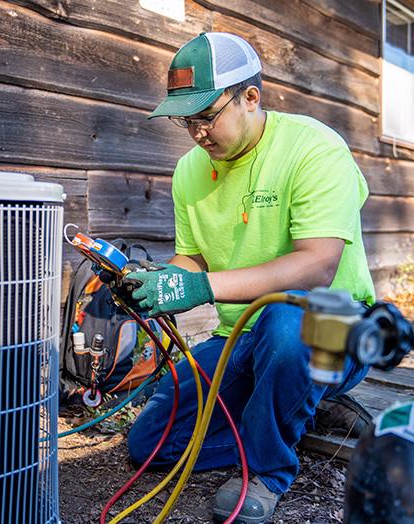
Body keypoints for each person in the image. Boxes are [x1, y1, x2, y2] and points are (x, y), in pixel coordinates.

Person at [123, 32, 375, 523]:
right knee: (150, 446)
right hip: (238, 331)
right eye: (185, 120)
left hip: (331, 325)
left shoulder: (315, 148)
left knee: (288, 319)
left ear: (251, 97)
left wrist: (200, 288)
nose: (196, 132)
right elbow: (191, 260)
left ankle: (267, 469)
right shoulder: (188, 171)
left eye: (206, 116)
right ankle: (286, 409)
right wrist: (152, 283)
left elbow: (318, 265)